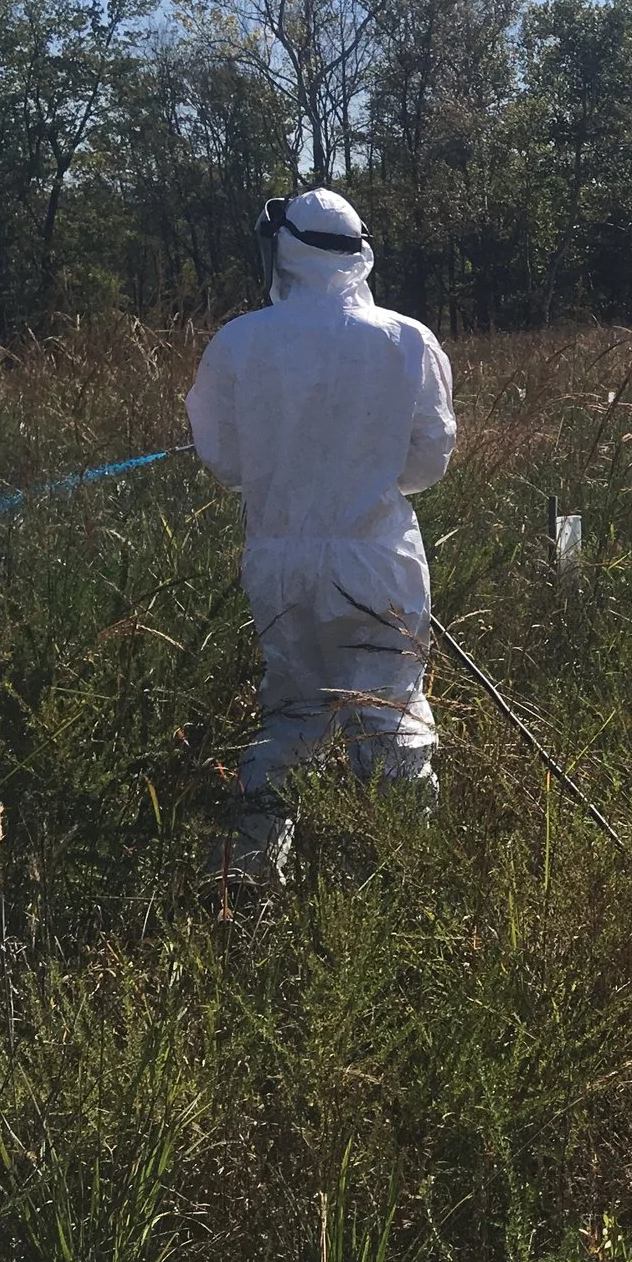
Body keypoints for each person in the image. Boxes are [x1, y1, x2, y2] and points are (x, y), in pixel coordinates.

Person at [185, 187, 456, 881]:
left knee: (291, 713)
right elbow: (428, 460)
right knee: (390, 719)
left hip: (277, 563)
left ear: (286, 249)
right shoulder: (405, 339)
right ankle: (401, 881)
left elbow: (223, 460)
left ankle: (249, 879)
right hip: (375, 560)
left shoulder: (239, 340)